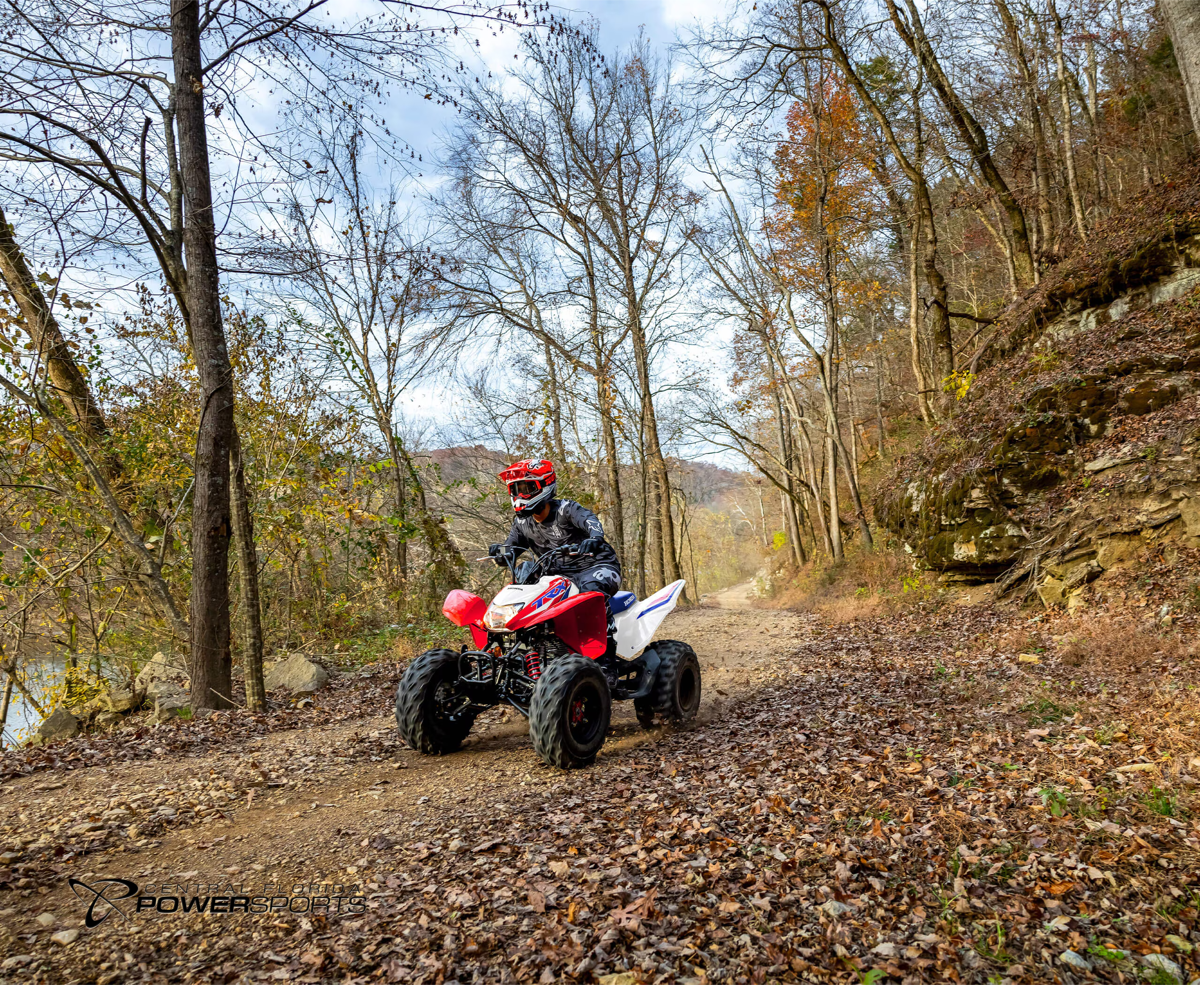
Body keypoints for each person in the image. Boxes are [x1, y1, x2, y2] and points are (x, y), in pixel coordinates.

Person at [488, 458, 621, 600]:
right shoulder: (521, 523)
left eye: (526, 488)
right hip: (558, 575)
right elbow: (509, 550)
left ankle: (607, 622)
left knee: (589, 593)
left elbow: (589, 519)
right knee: (525, 570)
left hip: (596, 567)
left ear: (545, 485)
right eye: (515, 490)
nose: (520, 495)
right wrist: (499, 552)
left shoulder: (566, 509)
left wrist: (595, 538)